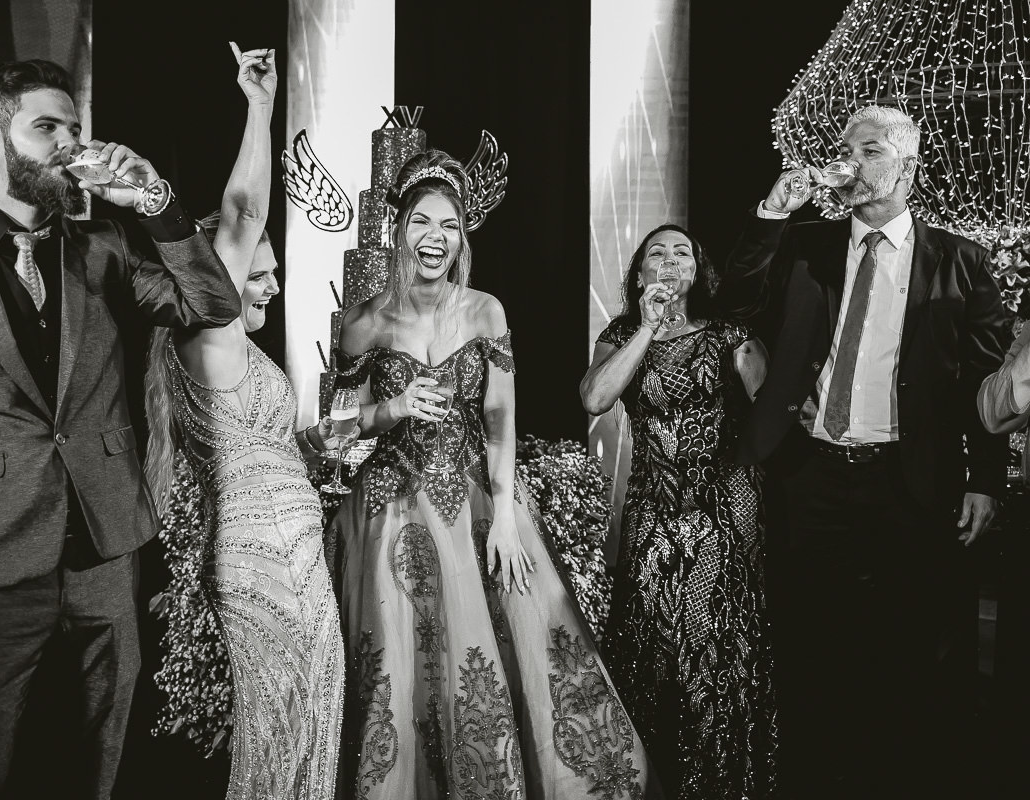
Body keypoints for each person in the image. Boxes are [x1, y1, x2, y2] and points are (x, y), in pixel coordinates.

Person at [0, 59, 239, 799]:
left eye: (75, 128)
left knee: (101, 764)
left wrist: (155, 200)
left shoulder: (104, 246)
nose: (70, 143)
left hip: (105, 551)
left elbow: (212, 305)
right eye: (47, 127)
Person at [326, 150, 662, 800]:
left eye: (449, 226)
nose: (435, 238)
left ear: (462, 239)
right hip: (391, 510)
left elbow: (501, 421)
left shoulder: (486, 311)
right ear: (398, 229)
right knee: (401, 663)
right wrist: (391, 409)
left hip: (478, 499)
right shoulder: (364, 321)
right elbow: (339, 428)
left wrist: (505, 517)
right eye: (422, 222)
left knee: (524, 648)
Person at [717, 105, 1009, 799]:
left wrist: (985, 480)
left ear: (907, 168)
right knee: (813, 640)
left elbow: (984, 376)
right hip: (811, 473)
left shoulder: (961, 261)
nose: (850, 161)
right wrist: (772, 213)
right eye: (846, 148)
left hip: (909, 480)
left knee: (908, 644)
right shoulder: (805, 243)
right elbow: (735, 301)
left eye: (870, 150)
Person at [142, 45, 345, 800]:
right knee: (282, 722)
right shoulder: (211, 330)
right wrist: (260, 106)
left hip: (295, 549)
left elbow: (265, 448)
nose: (272, 285)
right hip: (263, 557)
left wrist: (318, 446)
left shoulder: (239, 353)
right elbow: (244, 211)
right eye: (256, 272)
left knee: (310, 715)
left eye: (272, 271)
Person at [580, 224, 776, 799]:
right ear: (640, 273)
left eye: (681, 252)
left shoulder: (730, 334)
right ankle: (649, 782)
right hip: (654, 512)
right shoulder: (622, 333)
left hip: (724, 514)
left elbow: (776, 416)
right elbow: (595, 398)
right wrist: (648, 326)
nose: (669, 259)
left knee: (716, 651)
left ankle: (720, 784)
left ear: (698, 270)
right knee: (649, 645)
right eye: (656, 253)